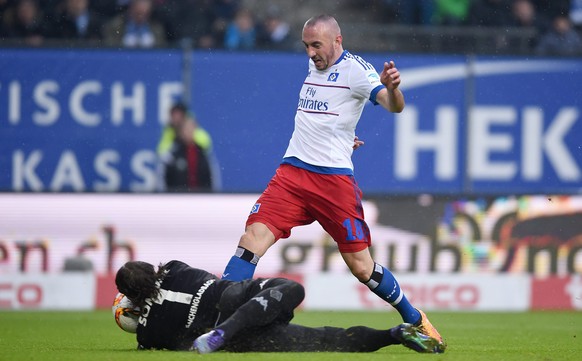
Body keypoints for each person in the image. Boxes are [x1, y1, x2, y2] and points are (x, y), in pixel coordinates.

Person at [220, 14, 446, 351]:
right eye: (306, 46)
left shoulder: (358, 70)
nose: (310, 53)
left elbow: (393, 107)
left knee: (361, 267)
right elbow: (326, 114)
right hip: (292, 174)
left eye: (316, 45)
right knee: (251, 239)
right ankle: (219, 323)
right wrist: (342, 135)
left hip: (333, 182)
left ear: (337, 41)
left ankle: (415, 319)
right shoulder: (315, 66)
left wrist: (395, 90)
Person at [114, 260, 445, 353]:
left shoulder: (148, 334)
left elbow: (149, 332)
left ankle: (393, 335)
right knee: (292, 288)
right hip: (236, 297)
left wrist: (133, 313)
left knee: (329, 340)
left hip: (242, 341)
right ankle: (399, 331)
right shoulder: (173, 268)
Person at [156, 102, 218, 192]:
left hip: (202, 198)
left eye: (191, 128)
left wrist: (212, 195)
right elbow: (163, 168)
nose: (189, 132)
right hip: (176, 198)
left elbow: (211, 174)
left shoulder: (201, 150)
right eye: (186, 129)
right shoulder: (172, 150)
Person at [102, 0, 166, 48]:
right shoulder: (115, 26)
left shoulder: (157, 29)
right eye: (138, 13)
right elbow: (110, 49)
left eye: (145, 14)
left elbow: (161, 51)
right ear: (131, 8)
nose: (141, 17)